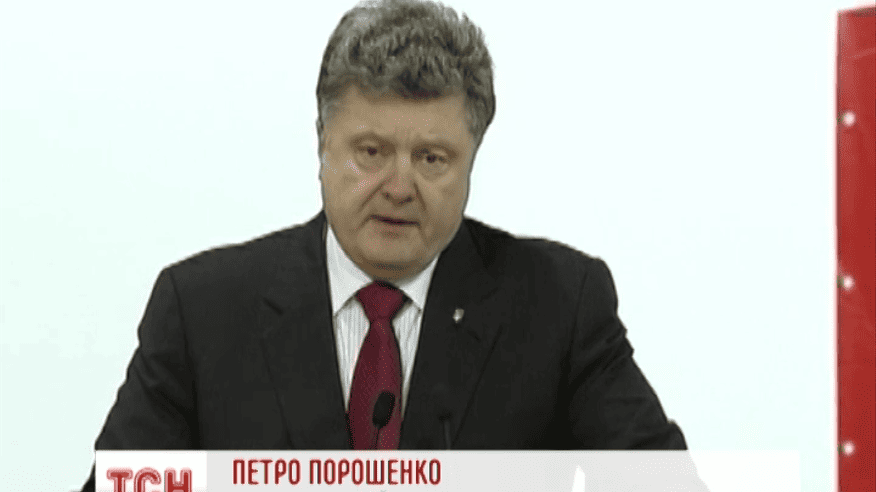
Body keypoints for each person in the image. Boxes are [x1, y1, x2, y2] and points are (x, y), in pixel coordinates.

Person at [79, 0, 693, 490]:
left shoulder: (559, 306)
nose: (399, 187)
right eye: (370, 152)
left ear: (472, 159)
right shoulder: (202, 312)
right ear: (322, 143)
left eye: (432, 159)